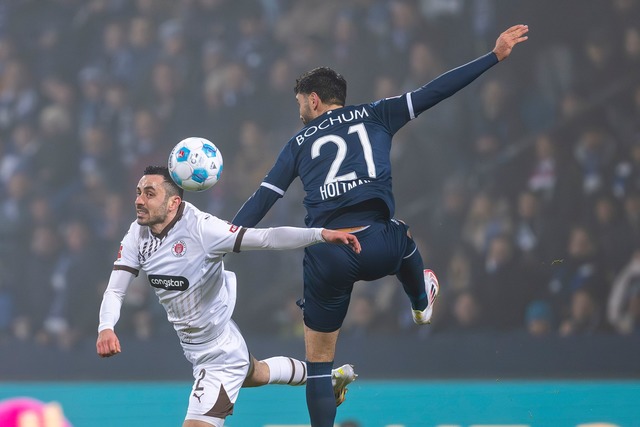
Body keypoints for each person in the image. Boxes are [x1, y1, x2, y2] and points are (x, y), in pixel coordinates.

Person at [232, 24, 529, 426]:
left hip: (327, 254)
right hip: (378, 244)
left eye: (300, 103)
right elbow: (436, 91)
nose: (299, 111)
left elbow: (262, 200)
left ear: (314, 100)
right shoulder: (376, 113)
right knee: (405, 236)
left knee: (319, 366)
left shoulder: (298, 143)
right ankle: (421, 302)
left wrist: (223, 239)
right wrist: (493, 56)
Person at [96, 166, 361, 427]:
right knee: (258, 373)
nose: (139, 200)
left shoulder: (203, 230)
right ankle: (327, 378)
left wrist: (321, 234)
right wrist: (106, 327)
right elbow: (116, 289)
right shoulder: (137, 233)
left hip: (218, 355)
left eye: (149, 193)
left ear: (173, 202)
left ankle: (323, 377)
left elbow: (267, 238)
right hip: (211, 342)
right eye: (138, 192)